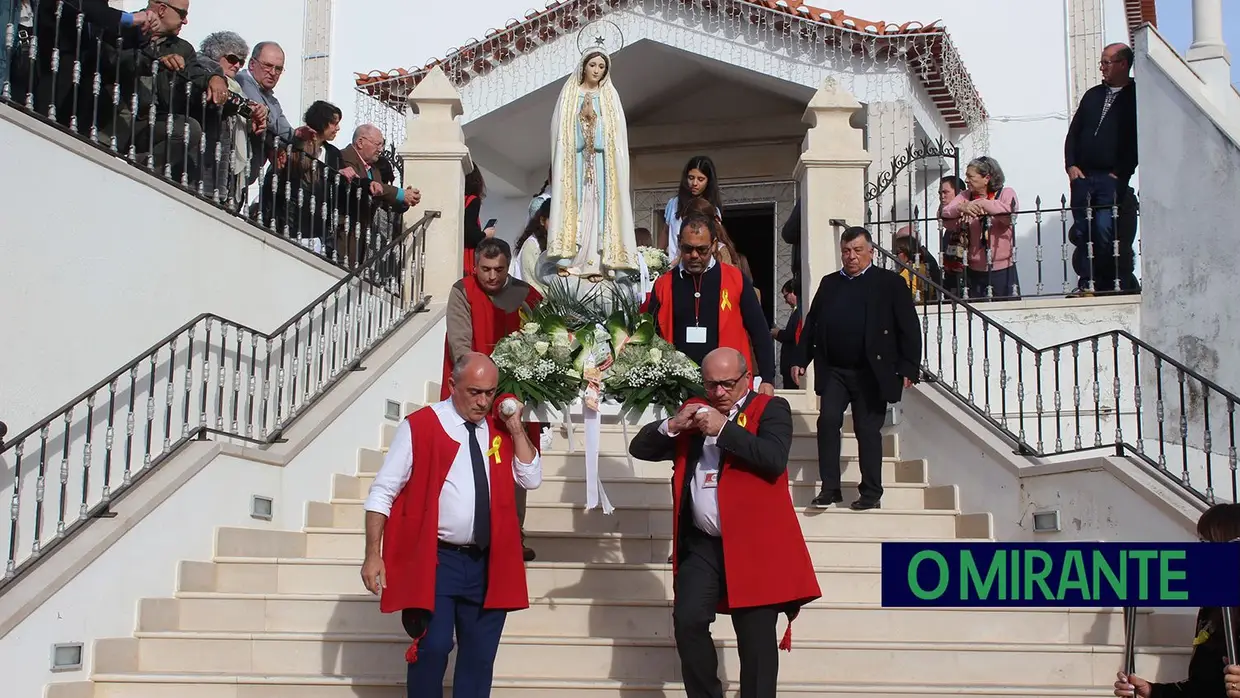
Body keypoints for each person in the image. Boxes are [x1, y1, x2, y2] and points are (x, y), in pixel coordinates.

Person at [629, 347, 820, 698]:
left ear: (746, 379)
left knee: (756, 644)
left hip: (755, 545)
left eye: (727, 385)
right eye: (711, 384)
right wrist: (673, 425)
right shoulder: (696, 412)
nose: (718, 393)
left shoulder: (770, 408)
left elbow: (773, 459)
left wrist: (724, 429)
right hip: (703, 544)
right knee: (688, 622)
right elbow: (639, 448)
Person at [361, 353, 541, 698]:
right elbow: (383, 490)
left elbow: (531, 479)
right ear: (452, 386)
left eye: (490, 392)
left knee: (478, 658)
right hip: (438, 560)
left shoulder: (499, 430)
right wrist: (373, 554)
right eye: (475, 392)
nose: (483, 401)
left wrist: (516, 426)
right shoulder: (421, 426)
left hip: (488, 561)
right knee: (433, 647)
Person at [792, 226, 921, 510]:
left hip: (870, 372)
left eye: (858, 251)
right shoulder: (829, 283)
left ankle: (871, 492)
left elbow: (909, 327)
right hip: (835, 370)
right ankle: (830, 488)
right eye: (846, 252)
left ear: (871, 252)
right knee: (827, 422)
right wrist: (801, 359)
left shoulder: (889, 283)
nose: (851, 257)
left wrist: (909, 367)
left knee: (867, 429)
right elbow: (813, 324)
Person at [444, 237, 543, 561]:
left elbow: (542, 335)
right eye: (485, 269)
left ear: (508, 266)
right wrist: (479, 381)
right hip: (472, 389)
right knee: (470, 461)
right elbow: (460, 343)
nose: (492, 277)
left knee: (516, 460)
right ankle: (473, 531)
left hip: (516, 391)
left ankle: (514, 532)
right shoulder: (462, 292)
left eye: (499, 270)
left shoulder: (526, 295)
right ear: (475, 267)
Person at [1114, 503, 1240, 697]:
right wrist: (1153, 691)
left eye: (1208, 543)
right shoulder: (1212, 608)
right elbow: (1201, 688)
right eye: (1200, 542)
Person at [643, 213, 776, 396]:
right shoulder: (664, 283)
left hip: (727, 386)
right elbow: (650, 335)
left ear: (714, 245)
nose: (694, 255)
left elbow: (759, 331)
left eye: (702, 249)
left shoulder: (735, 278)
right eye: (687, 249)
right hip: (676, 386)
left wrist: (768, 379)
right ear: (679, 243)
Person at [547, 46, 638, 280]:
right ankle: (571, 258)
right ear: (583, 66)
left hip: (602, 167)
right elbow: (562, 137)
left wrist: (593, 120)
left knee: (600, 210)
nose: (596, 70)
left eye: (601, 66)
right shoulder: (569, 96)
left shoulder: (609, 97)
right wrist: (581, 120)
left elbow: (614, 137)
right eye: (592, 65)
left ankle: (598, 264)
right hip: (576, 167)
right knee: (578, 207)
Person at [1065, 42, 1139, 296]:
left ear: (1123, 64)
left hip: (1111, 178)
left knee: (1105, 228)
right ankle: (1088, 283)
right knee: (1082, 231)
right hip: (1083, 177)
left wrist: (1120, 172)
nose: (1102, 67)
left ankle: (1110, 281)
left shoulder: (1136, 97)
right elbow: (1074, 132)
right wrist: (1071, 165)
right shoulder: (1093, 95)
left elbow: (1137, 139)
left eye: (1107, 62)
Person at [659, 155, 724, 259]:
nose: (694, 183)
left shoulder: (712, 209)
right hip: (674, 267)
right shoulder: (673, 203)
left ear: (708, 181)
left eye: (700, 179)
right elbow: (665, 232)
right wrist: (658, 259)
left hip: (701, 266)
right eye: (691, 178)